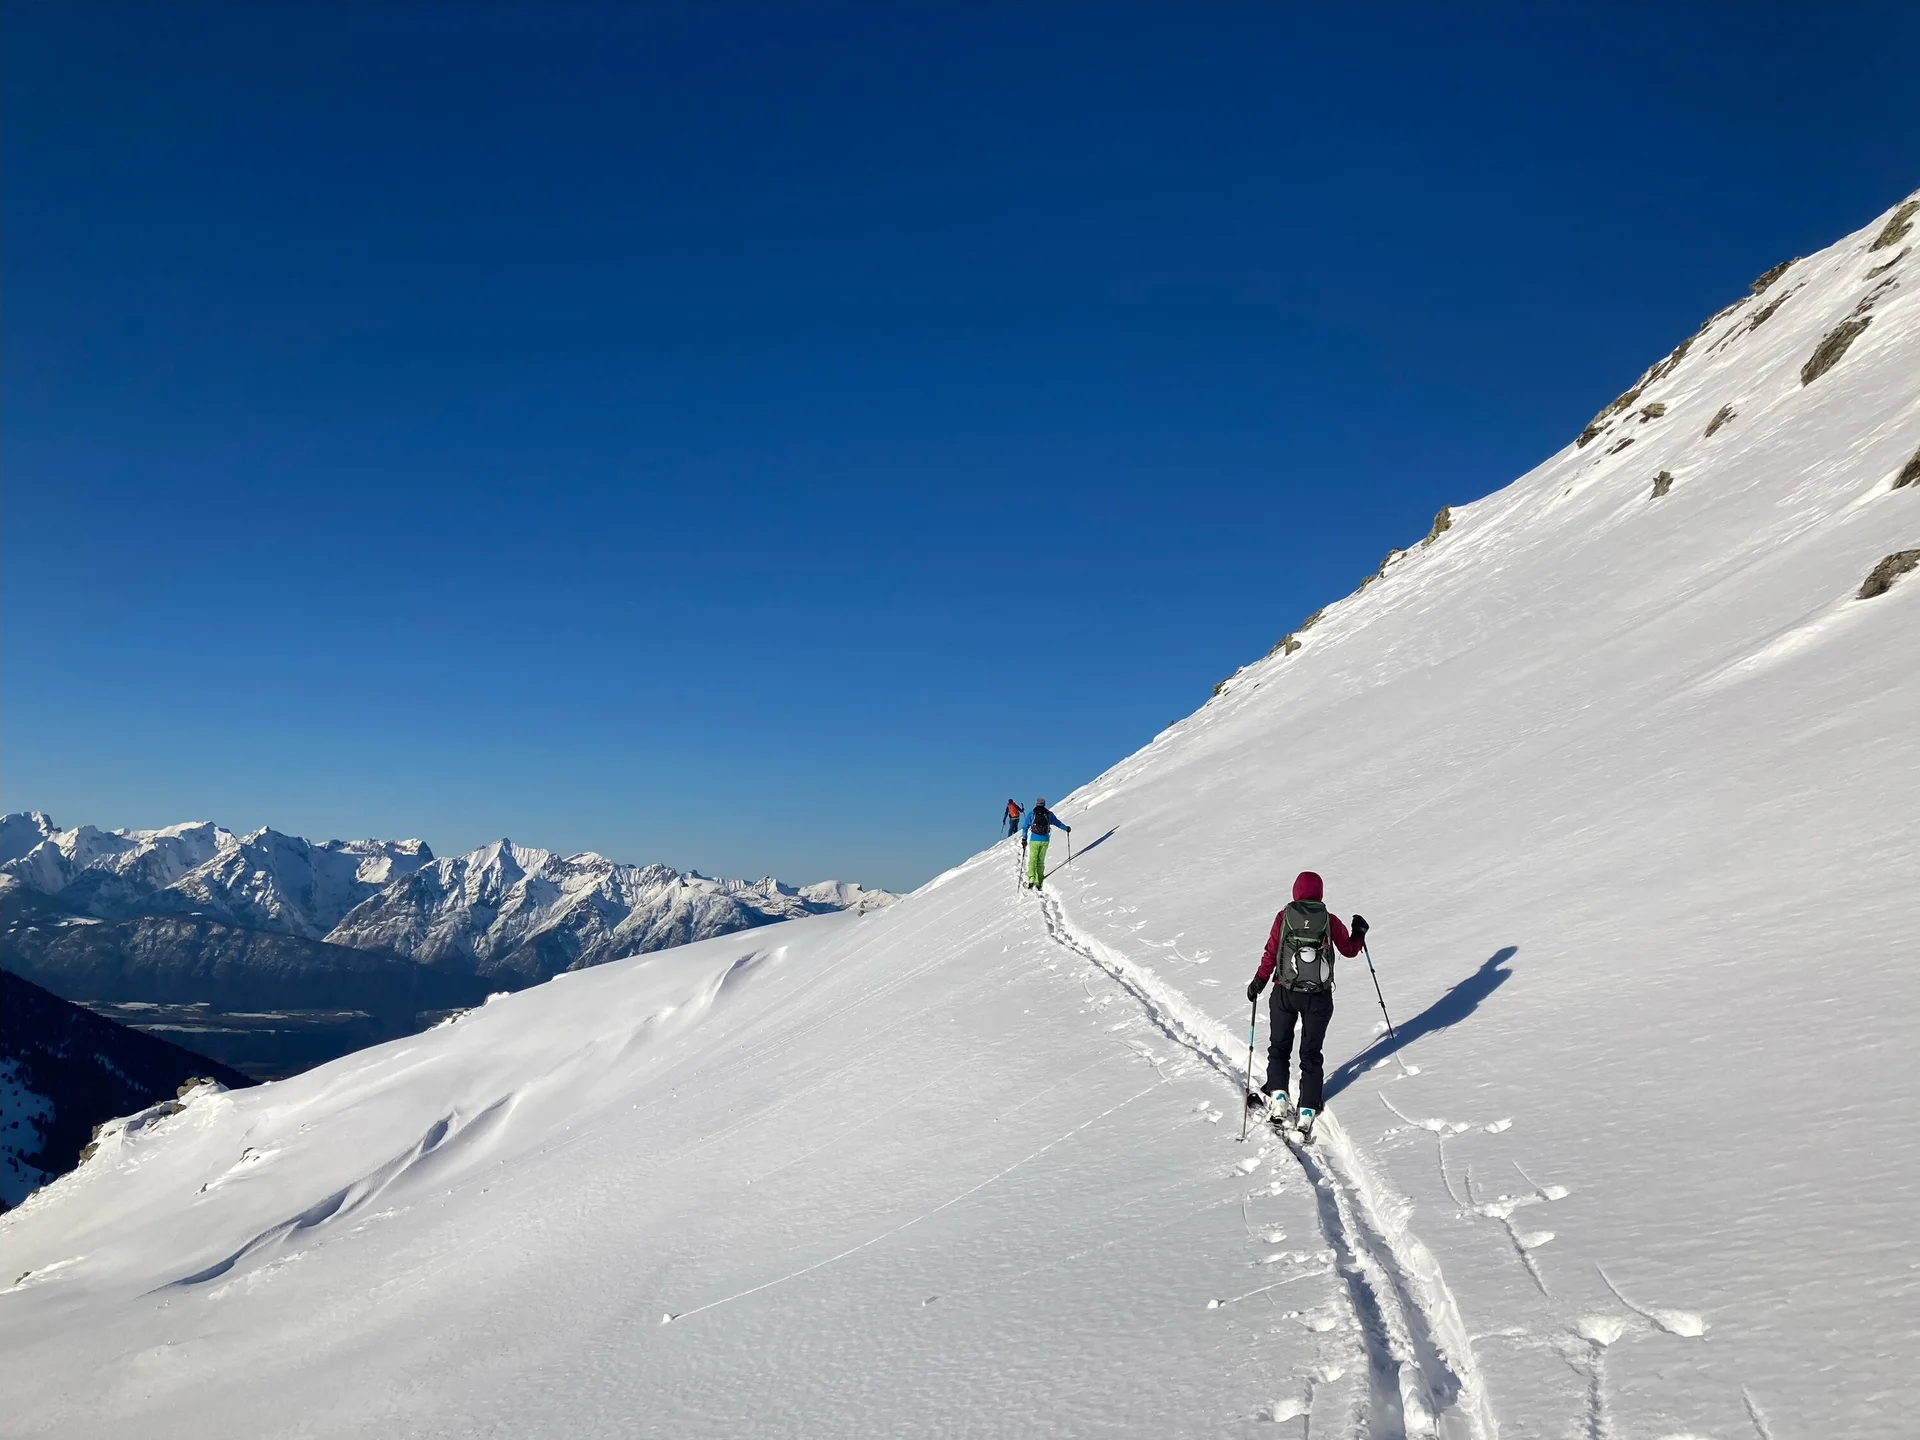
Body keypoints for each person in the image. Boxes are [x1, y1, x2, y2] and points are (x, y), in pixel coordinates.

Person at [1245, 871, 1369, 1133]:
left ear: (1296, 891)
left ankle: (1279, 1098)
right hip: (1318, 997)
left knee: (1279, 1047)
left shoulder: (1284, 917)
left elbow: (1271, 952)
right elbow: (1349, 950)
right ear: (1320, 892)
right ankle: (1307, 1109)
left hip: (1285, 992)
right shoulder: (1328, 919)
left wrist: (1259, 981)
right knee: (1311, 1053)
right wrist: (1359, 932)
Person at [1021, 797, 1070, 890]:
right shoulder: (1048, 814)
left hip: (1034, 839)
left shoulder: (1032, 814)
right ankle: (1039, 881)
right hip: (1045, 839)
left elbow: (1025, 827)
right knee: (1040, 860)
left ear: (1036, 804)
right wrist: (1066, 828)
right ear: (1044, 804)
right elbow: (1057, 823)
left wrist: (1024, 838)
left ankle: (1031, 879)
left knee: (1033, 859)